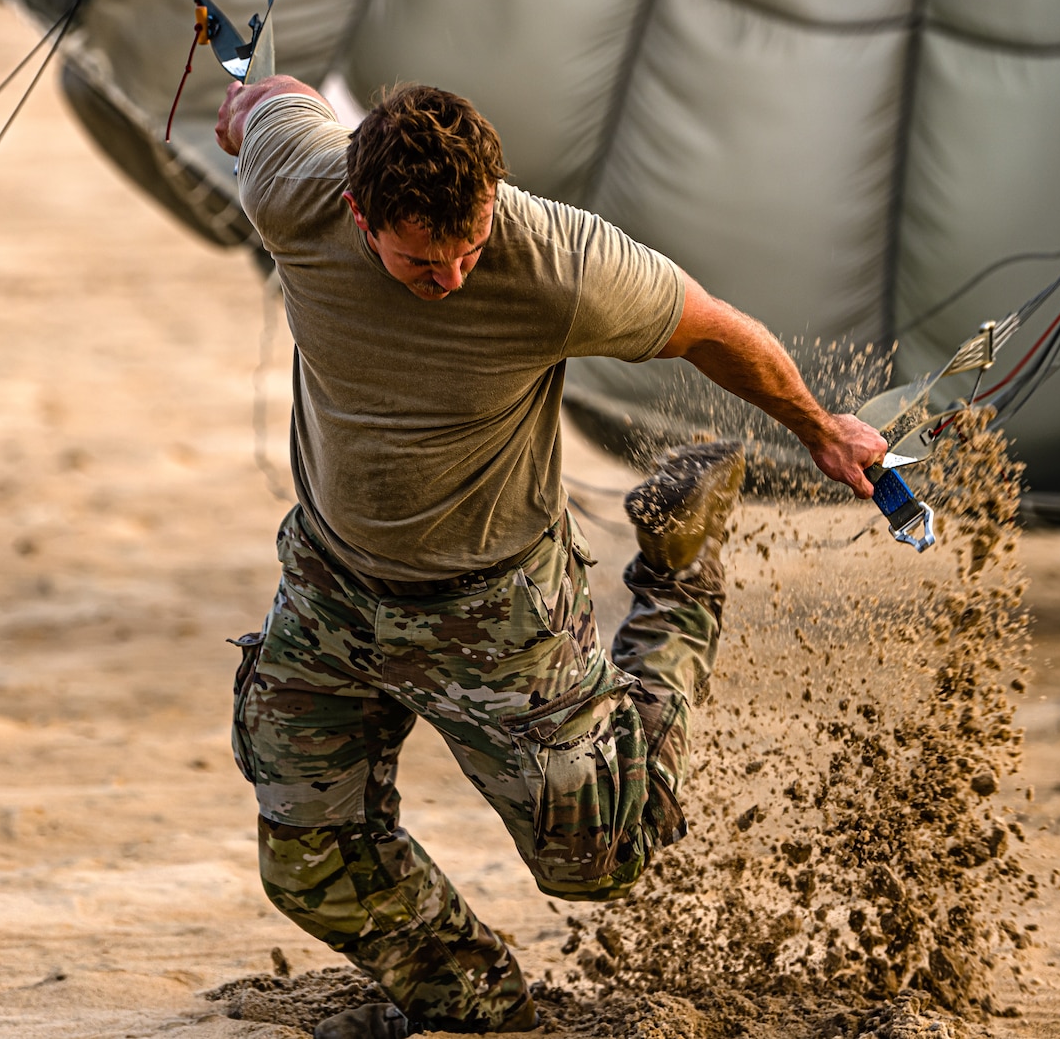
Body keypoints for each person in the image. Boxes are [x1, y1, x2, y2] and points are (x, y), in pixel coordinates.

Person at [214, 76, 886, 1038]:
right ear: (357, 213)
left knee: (603, 858)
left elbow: (712, 327)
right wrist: (241, 97)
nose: (452, 279)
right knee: (309, 863)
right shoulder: (294, 186)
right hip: (329, 589)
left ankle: (679, 572)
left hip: (494, 607)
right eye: (421, 262)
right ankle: (486, 1009)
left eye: (470, 249)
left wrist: (821, 431)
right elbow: (264, 107)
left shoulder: (558, 264)